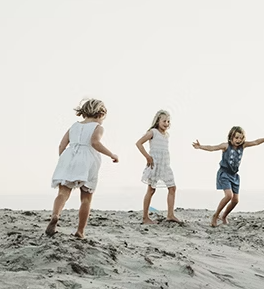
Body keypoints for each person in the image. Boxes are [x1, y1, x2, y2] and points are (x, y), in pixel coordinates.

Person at [46, 98, 119, 239]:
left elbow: (61, 145)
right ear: (101, 114)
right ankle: (80, 231)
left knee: (63, 193)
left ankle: (55, 215)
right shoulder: (98, 127)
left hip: (69, 158)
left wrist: (64, 160)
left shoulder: (74, 126)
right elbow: (95, 142)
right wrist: (111, 154)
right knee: (86, 198)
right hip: (87, 161)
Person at [192, 126, 264, 226]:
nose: (239, 140)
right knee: (229, 196)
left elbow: (256, 142)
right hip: (224, 174)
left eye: (241, 138)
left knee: (235, 200)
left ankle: (224, 216)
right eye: (236, 138)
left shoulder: (243, 146)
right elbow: (212, 148)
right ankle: (215, 215)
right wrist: (200, 147)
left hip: (234, 175)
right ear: (231, 137)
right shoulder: (226, 146)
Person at [136, 109, 180, 224]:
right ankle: (145, 217)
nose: (166, 124)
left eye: (168, 122)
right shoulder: (153, 132)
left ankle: (170, 214)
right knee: (151, 190)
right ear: (158, 121)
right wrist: (147, 157)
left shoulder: (166, 135)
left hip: (165, 165)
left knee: (172, 188)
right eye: (164, 121)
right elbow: (139, 143)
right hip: (155, 164)